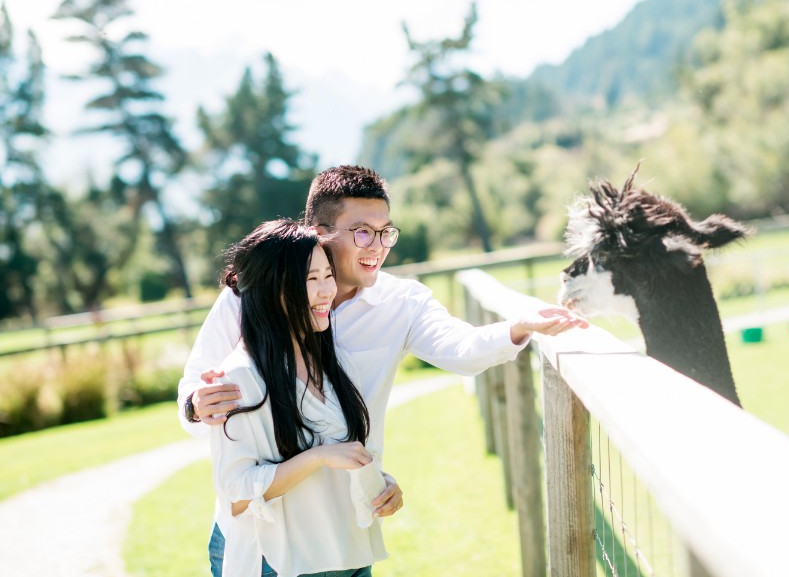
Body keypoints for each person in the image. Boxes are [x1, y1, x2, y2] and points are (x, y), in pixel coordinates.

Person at [177, 165, 588, 575]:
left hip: (348, 539)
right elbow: (199, 397)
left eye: (385, 231)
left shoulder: (401, 302)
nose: (376, 246)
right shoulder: (246, 301)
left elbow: (461, 348)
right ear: (317, 232)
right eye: (361, 231)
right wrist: (198, 405)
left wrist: (518, 327)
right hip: (268, 544)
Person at [211, 219, 388, 577]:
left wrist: (383, 482)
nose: (327, 291)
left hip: (351, 556)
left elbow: (343, 453)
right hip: (286, 564)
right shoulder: (240, 378)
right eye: (311, 279)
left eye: (328, 276)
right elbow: (237, 492)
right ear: (274, 290)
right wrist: (318, 457)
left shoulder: (333, 362)